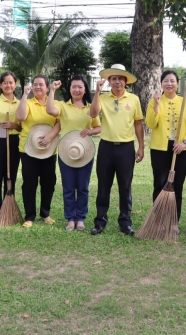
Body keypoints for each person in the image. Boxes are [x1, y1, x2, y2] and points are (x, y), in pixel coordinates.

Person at [89, 64, 145, 236]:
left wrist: (141, 146)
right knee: (103, 186)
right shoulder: (103, 98)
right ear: (109, 81)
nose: (117, 81)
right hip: (106, 147)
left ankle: (125, 221)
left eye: (120, 78)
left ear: (126, 81)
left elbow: (138, 123)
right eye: (113, 78)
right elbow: (93, 114)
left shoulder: (133, 99)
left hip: (126, 148)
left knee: (125, 186)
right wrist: (97, 92)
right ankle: (100, 221)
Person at [46, 76, 101, 231]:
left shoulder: (91, 108)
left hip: (85, 152)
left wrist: (90, 131)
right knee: (68, 187)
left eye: (80, 87)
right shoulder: (62, 106)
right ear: (69, 89)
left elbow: (99, 127)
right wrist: (52, 90)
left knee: (83, 187)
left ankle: (81, 218)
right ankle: (71, 218)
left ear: (85, 89)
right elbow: (50, 110)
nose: (77, 90)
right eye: (73, 87)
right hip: (66, 152)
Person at [145, 70, 186, 229]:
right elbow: (150, 124)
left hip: (180, 149)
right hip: (159, 148)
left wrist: (185, 142)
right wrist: (156, 106)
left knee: (177, 185)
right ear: (161, 83)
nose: (169, 84)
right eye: (166, 81)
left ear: (177, 84)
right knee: (160, 184)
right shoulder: (155, 101)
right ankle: (160, 221)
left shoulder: (185, 102)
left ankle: (174, 222)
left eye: (172, 81)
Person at [16, 75, 61, 228]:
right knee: (29, 182)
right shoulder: (27, 102)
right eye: (35, 84)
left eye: (41, 84)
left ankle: (45, 213)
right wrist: (24, 95)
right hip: (28, 149)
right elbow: (20, 117)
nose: (37, 87)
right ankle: (29, 215)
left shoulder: (54, 103)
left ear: (48, 87)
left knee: (48, 182)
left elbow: (59, 123)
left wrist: (49, 137)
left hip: (49, 149)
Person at [0, 71, 22, 219]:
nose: (8, 85)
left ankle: (8, 208)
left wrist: (14, 124)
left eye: (11, 82)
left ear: (15, 85)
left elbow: (22, 127)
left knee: (10, 176)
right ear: (0, 85)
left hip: (13, 141)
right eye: (5, 82)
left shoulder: (20, 103)